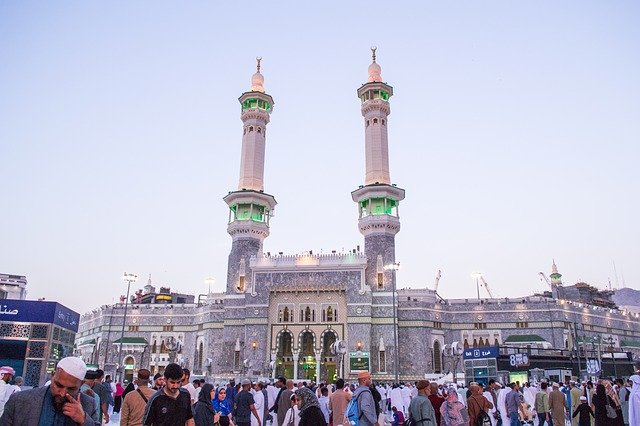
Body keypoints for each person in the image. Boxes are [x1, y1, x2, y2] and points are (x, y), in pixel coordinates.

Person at [0, 356, 100, 425]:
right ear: (52, 376)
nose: (63, 393)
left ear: (81, 384)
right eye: (59, 385)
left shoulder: (88, 404)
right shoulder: (20, 400)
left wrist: (83, 420)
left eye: (71, 389)